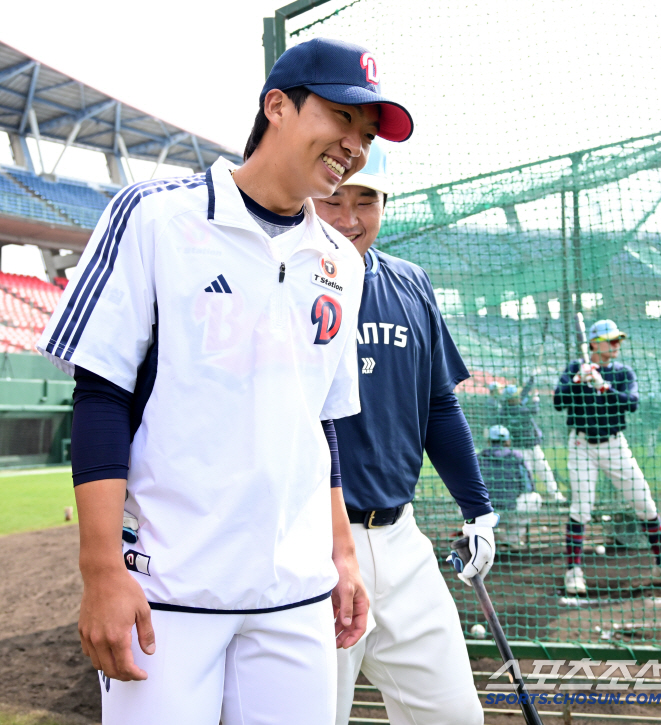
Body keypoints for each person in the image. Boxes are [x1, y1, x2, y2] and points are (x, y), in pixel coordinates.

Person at [37, 38, 413, 725]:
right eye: (342, 119)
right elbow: (100, 395)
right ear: (277, 106)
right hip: (168, 595)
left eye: (366, 135)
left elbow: (319, 422)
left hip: (295, 600)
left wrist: (342, 556)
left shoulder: (341, 262)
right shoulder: (155, 214)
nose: (354, 146)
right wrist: (100, 571)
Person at [314, 143, 494, 725]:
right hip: (312, 546)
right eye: (332, 199)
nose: (348, 218)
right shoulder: (280, 276)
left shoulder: (410, 283)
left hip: (402, 540)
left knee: (454, 715)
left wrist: (478, 510)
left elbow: (439, 404)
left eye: (366, 200)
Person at [554, 319, 661, 595]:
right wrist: (579, 381)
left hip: (615, 445)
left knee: (645, 503)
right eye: (610, 341)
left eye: (617, 341)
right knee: (581, 508)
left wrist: (603, 386)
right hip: (581, 445)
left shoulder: (623, 372)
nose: (616, 346)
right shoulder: (575, 368)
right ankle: (574, 571)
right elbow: (558, 401)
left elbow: (632, 403)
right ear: (594, 343)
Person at [477, 425, 542, 548]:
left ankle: (489, 537)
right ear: (507, 441)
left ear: (489, 441)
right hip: (512, 511)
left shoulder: (478, 458)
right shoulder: (516, 457)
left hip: (484, 513)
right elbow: (528, 486)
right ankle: (513, 537)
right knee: (534, 498)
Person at [499, 384, 565, 503]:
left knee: (539, 471)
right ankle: (540, 496)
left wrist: (531, 381)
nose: (519, 396)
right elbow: (534, 409)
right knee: (533, 472)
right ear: (512, 398)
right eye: (516, 396)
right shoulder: (519, 409)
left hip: (525, 447)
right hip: (524, 448)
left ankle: (549, 495)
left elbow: (522, 395)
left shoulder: (505, 409)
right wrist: (535, 399)